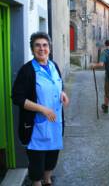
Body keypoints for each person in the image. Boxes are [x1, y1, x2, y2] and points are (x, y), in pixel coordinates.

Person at [12, 32, 69, 186]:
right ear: (32, 49)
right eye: (37, 45)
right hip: (36, 125)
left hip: (55, 122)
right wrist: (42, 109)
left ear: (49, 48)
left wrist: (62, 93)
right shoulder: (27, 70)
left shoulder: (53, 65)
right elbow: (17, 98)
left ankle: (48, 179)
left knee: (52, 155)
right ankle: (37, 183)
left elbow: (57, 84)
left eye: (45, 45)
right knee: (37, 159)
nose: (41, 48)